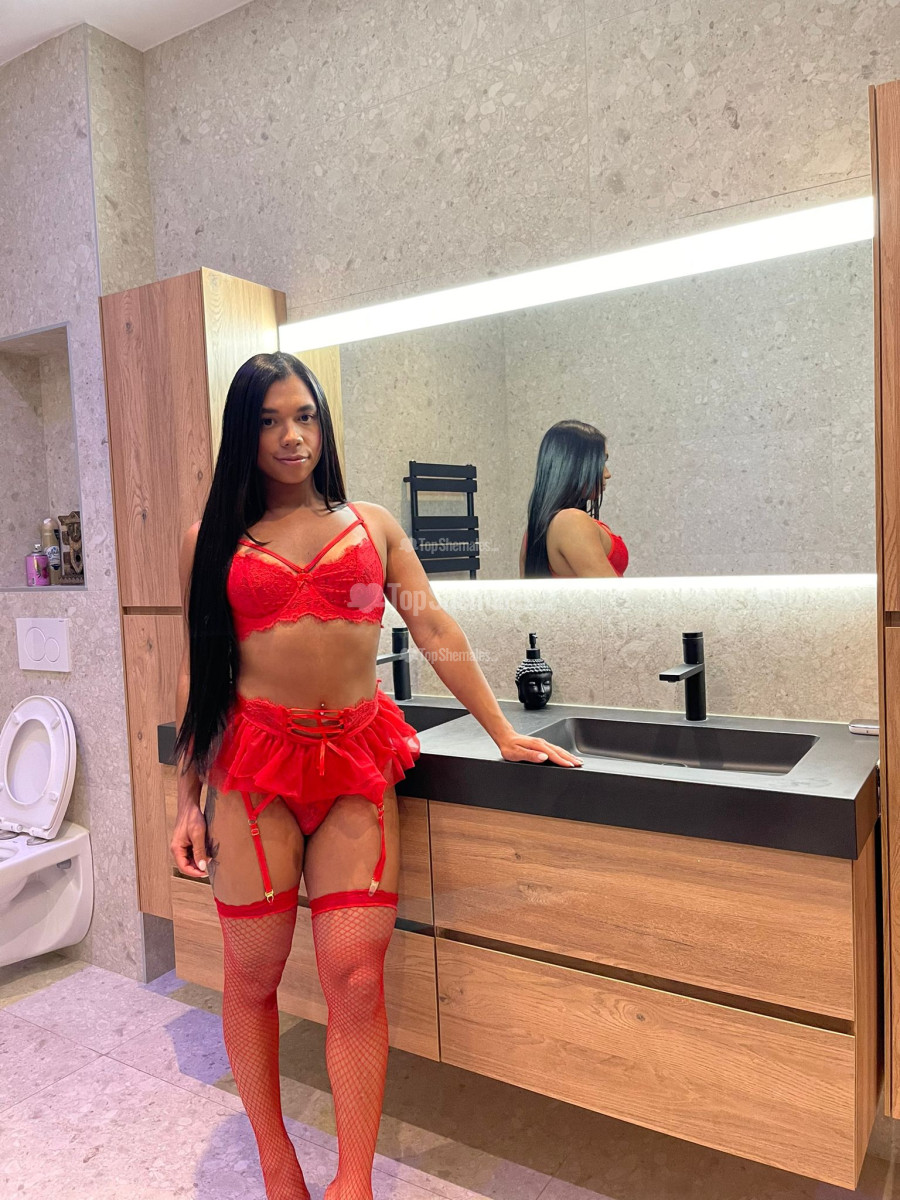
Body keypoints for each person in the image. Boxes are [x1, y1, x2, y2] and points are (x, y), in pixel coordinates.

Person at [171, 352, 582, 1200]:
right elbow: (197, 672)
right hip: (252, 773)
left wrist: (502, 730)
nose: (292, 436)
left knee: (356, 978)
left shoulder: (373, 527)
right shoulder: (208, 541)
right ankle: (277, 1162)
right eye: (270, 421)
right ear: (244, 434)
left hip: (356, 763)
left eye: (305, 416)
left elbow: (433, 628)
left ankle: (352, 1181)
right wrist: (184, 798)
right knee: (253, 974)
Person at [519, 419, 628, 579]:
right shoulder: (571, 521)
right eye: (600, 463)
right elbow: (611, 593)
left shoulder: (533, 533)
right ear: (574, 465)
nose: (607, 474)